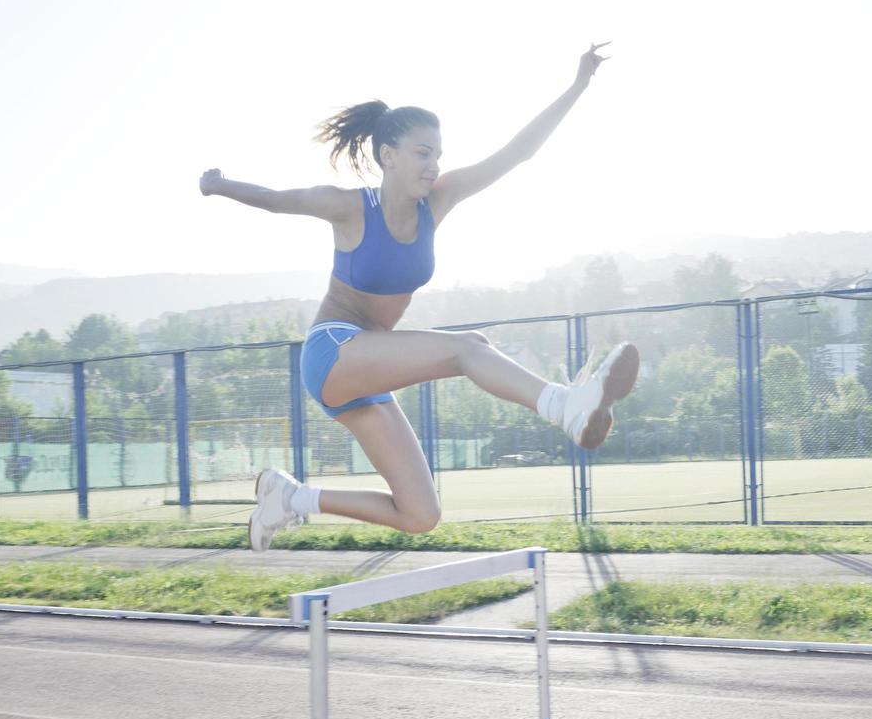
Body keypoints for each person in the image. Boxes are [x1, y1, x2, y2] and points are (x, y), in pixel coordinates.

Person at [200, 42, 639, 550]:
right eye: (422, 154)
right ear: (388, 156)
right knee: (466, 346)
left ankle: (291, 498)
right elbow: (276, 201)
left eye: (438, 156)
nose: (433, 166)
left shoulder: (440, 201)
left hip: (369, 371)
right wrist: (219, 185)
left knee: (420, 513)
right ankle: (564, 406)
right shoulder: (347, 208)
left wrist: (578, 86)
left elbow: (518, 153)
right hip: (333, 351)